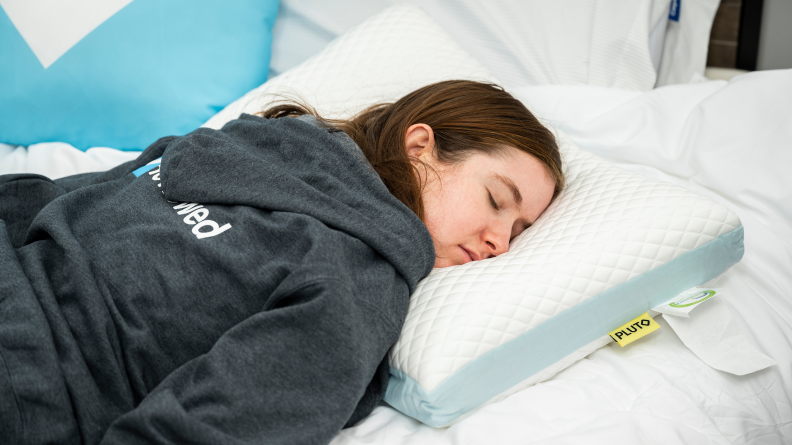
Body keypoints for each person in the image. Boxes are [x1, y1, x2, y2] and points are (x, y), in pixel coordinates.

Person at [0, 80, 563, 444]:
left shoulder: (360, 276)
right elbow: (69, 199)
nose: (500, 243)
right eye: (496, 202)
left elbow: (214, 427)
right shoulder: (250, 146)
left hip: (36, 378)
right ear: (420, 147)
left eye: (518, 231)